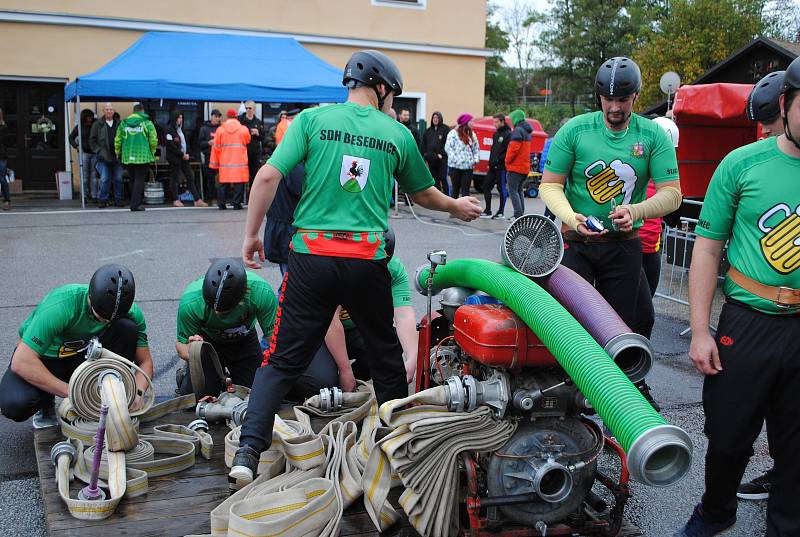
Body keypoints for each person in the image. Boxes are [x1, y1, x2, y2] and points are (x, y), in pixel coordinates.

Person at [230, 49, 482, 484]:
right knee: (385, 358)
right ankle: (399, 455)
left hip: (311, 259)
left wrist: (251, 236)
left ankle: (248, 454)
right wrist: (457, 207)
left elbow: (267, 177)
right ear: (382, 88)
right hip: (367, 260)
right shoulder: (395, 133)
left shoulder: (310, 120)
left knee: (280, 359)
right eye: (392, 96)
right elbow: (424, 195)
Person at [675, 56, 800, 537]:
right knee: (728, 438)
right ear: (785, 105)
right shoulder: (742, 164)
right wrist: (702, 330)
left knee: (797, 445)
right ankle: (716, 510)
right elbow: (706, 251)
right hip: (747, 322)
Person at [539, 57, 682, 407]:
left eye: (623, 99)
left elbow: (672, 194)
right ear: (598, 96)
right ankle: (567, 395)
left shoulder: (651, 135)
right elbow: (549, 186)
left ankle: (617, 401)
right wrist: (572, 219)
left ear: (636, 96)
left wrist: (636, 210)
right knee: (569, 324)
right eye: (608, 99)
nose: (615, 108)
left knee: (622, 325)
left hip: (625, 245)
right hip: (577, 243)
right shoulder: (576, 129)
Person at [0, 264, 152, 428]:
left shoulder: (131, 312)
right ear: (90, 298)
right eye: (100, 317)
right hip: (45, 360)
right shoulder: (61, 306)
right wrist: (74, 394)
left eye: (110, 320)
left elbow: (145, 363)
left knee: (127, 328)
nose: (106, 321)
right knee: (14, 404)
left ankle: (107, 392)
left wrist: (137, 392)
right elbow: (22, 361)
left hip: (85, 357)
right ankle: (46, 402)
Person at [322, 228, 418, 386]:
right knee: (322, 380)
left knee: (392, 343)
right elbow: (331, 321)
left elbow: (404, 316)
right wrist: (345, 370)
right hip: (322, 329)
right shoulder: (339, 265)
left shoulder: (393, 269)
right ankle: (338, 373)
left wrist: (412, 359)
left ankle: (356, 377)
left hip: (355, 328)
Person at [175, 258, 276, 397]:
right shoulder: (191, 302)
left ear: (243, 295)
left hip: (244, 341)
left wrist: (270, 370)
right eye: (213, 308)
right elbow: (181, 346)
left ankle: (230, 377)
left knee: (256, 395)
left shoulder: (261, 292)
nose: (217, 313)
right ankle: (185, 377)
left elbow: (274, 339)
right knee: (198, 398)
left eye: (225, 311)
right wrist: (194, 354)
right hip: (208, 345)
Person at [640, 116, 680, 296]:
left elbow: (672, 219)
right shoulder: (666, 179)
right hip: (633, 247)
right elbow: (673, 220)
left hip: (644, 248)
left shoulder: (632, 170)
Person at [115, 103, 157, 212]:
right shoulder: (147, 123)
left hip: (127, 155)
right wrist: (152, 151)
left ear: (133, 111)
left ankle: (133, 201)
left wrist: (117, 151)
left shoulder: (123, 123)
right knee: (139, 179)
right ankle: (135, 204)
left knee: (132, 179)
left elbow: (118, 139)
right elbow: (153, 139)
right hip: (143, 155)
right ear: (142, 111)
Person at [210, 109, 251, 210]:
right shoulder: (243, 129)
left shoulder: (220, 130)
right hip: (239, 163)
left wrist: (214, 164)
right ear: (236, 117)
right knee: (239, 183)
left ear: (227, 117)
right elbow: (248, 140)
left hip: (225, 163)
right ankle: (236, 204)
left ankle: (222, 203)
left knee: (223, 183)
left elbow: (216, 148)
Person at [165, 111, 208, 208]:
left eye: (181, 118)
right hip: (175, 158)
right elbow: (171, 145)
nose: (180, 120)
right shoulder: (169, 130)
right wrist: (181, 154)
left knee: (190, 176)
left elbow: (185, 143)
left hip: (184, 157)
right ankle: (175, 199)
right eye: (178, 118)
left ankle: (197, 199)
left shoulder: (181, 130)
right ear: (174, 118)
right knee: (175, 178)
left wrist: (187, 153)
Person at [90, 103, 124, 208]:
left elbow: (124, 138)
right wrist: (98, 150)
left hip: (116, 157)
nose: (109, 111)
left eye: (111, 109)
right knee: (105, 179)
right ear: (103, 111)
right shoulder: (97, 124)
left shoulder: (119, 124)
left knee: (118, 178)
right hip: (103, 157)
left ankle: (118, 200)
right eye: (107, 109)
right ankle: (102, 200)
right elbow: (92, 140)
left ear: (113, 111)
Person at [505, 109, 532, 221]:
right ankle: (520, 214)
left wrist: (507, 161)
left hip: (515, 167)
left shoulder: (518, 130)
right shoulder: (526, 131)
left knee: (512, 190)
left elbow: (513, 149)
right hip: (524, 168)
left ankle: (518, 215)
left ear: (516, 119)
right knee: (519, 190)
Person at [482, 113, 511, 218]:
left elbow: (508, 151)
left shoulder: (508, 134)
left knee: (501, 188)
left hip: (501, 167)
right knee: (486, 186)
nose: (494, 124)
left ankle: (500, 212)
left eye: (496, 122)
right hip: (492, 166)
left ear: (502, 122)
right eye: (493, 122)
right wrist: (490, 163)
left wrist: (499, 160)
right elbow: (493, 150)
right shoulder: (496, 134)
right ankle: (487, 210)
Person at [444, 113, 480, 198]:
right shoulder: (453, 134)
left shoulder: (472, 134)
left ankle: (464, 210)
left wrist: (475, 160)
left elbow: (476, 148)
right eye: (471, 121)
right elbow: (448, 148)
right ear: (466, 122)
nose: (473, 123)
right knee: (455, 189)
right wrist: (457, 160)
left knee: (465, 191)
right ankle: (454, 209)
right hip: (455, 167)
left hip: (468, 167)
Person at [69, 109, 98, 203]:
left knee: (93, 175)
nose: (90, 119)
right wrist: (76, 145)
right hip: (83, 153)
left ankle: (94, 196)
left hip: (94, 153)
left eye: (91, 117)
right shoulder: (80, 127)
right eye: (88, 117)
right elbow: (71, 137)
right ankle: (84, 196)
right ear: (84, 117)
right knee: (85, 176)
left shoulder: (96, 125)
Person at [421, 111, 449, 193]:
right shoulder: (428, 131)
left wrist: (442, 153)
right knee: (434, 180)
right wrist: (425, 155)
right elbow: (423, 145)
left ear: (440, 119)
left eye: (437, 118)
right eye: (434, 118)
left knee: (443, 178)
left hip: (442, 159)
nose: (435, 119)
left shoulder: (445, 129)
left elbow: (448, 144)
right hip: (431, 160)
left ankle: (447, 196)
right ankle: (438, 198)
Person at [198, 109, 223, 202]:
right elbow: (200, 143)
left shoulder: (222, 128)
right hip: (208, 156)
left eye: (219, 117)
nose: (217, 118)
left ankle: (220, 198)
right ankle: (210, 198)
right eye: (216, 116)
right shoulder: (204, 129)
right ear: (211, 116)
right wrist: (208, 143)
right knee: (210, 179)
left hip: (221, 157)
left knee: (221, 179)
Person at [238, 100, 264, 182]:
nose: (248, 110)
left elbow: (263, 137)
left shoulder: (258, 121)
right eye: (246, 108)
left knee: (253, 174)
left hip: (254, 152)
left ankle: (251, 193)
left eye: (250, 108)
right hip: (243, 151)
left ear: (254, 109)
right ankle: (242, 194)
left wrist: (258, 133)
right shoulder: (240, 120)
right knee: (242, 175)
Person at [0, 107, 10, 211]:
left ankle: (7, 201)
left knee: (2, 178)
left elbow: (3, 140)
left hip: (1, 156)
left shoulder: (4, 127)